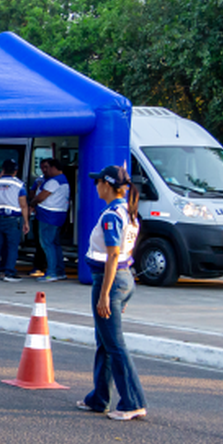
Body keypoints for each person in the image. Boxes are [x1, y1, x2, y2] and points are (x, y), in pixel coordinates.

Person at [78, 165, 147, 421]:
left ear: (107, 185)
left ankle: (133, 401)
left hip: (110, 281)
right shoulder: (127, 211)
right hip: (123, 279)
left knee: (115, 345)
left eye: (98, 182)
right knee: (105, 343)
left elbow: (114, 253)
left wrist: (105, 294)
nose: (96, 186)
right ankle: (99, 398)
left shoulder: (111, 215)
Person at [0, 159, 30, 282]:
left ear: (3, 169)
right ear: (15, 171)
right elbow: (23, 205)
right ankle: (9, 273)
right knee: (12, 246)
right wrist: (26, 221)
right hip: (12, 219)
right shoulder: (19, 185)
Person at [32, 158, 70, 282]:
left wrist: (31, 204)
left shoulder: (53, 182)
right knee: (55, 244)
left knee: (47, 244)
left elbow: (41, 197)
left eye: (47, 168)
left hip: (48, 215)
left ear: (54, 167)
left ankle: (51, 272)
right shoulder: (63, 180)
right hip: (59, 214)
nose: (45, 171)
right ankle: (60, 271)